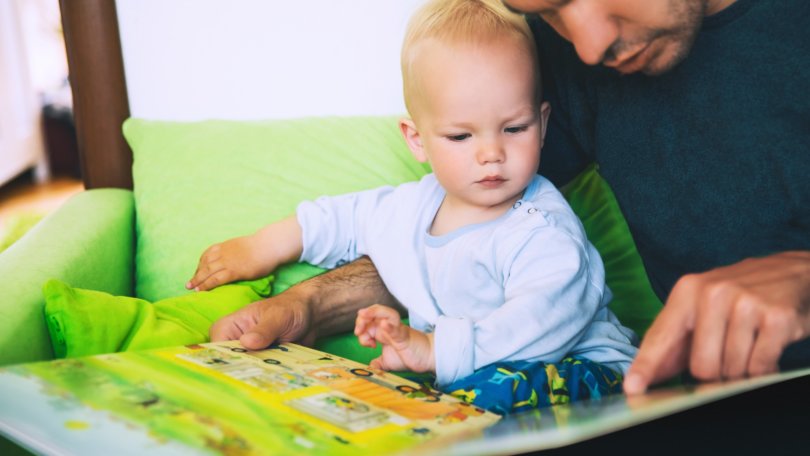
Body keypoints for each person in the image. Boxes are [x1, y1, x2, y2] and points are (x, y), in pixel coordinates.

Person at [206, 0, 810, 396]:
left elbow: (548, 291)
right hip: (713, 398)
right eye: (544, 10)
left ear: (534, 124)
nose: (589, 46)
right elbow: (454, 234)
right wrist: (306, 305)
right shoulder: (537, 65)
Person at [188, 0, 637, 414]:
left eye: (514, 128)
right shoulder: (415, 207)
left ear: (542, 123)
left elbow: (541, 323)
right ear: (417, 139)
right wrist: (264, 246)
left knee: (479, 399)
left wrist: (434, 350)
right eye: (461, 136)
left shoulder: (542, 228)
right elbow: (347, 218)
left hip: (589, 372)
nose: (491, 154)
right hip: (482, 375)